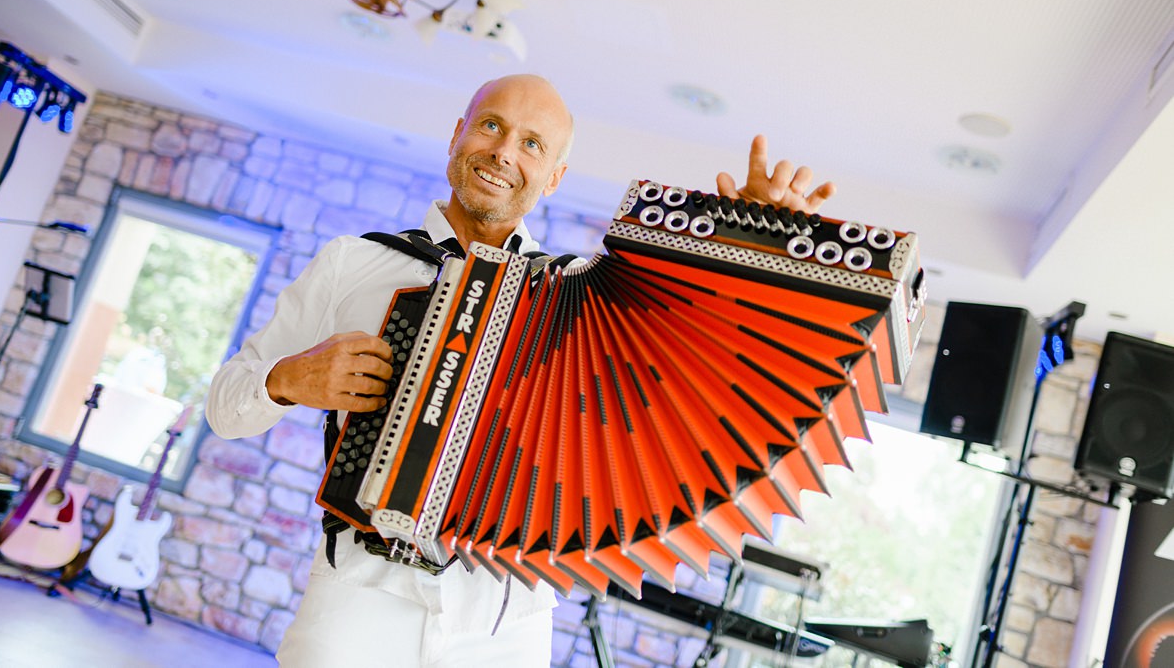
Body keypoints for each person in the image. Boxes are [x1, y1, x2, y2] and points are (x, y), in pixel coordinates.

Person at [205, 73, 835, 667]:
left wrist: (753, 245)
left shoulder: (584, 301)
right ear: (457, 134)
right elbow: (224, 408)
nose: (504, 152)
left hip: (507, 620)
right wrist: (285, 379)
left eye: (532, 143)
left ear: (554, 176)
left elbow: (697, 374)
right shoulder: (352, 262)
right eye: (491, 126)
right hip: (358, 595)